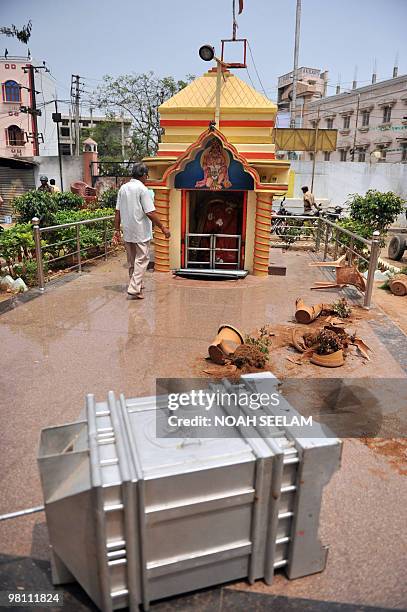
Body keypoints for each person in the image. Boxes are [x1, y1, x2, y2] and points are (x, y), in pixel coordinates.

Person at [114, 163, 170, 299]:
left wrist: (116, 230)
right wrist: (163, 227)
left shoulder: (123, 188)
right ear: (144, 175)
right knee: (143, 259)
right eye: (147, 176)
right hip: (140, 231)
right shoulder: (142, 189)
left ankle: (136, 284)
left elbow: (117, 211)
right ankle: (134, 288)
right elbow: (150, 212)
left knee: (133, 260)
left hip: (127, 230)